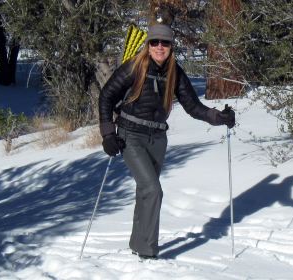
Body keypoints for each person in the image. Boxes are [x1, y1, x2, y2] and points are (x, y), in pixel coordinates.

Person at [98, 24, 235, 260]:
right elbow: (106, 96)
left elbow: (193, 106)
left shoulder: (175, 72)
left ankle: (137, 244)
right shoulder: (134, 67)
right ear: (148, 44)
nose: (160, 47)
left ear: (172, 47)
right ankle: (149, 253)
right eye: (155, 42)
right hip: (130, 136)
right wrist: (108, 133)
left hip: (158, 139)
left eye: (165, 43)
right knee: (153, 190)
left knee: (146, 191)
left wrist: (218, 117)